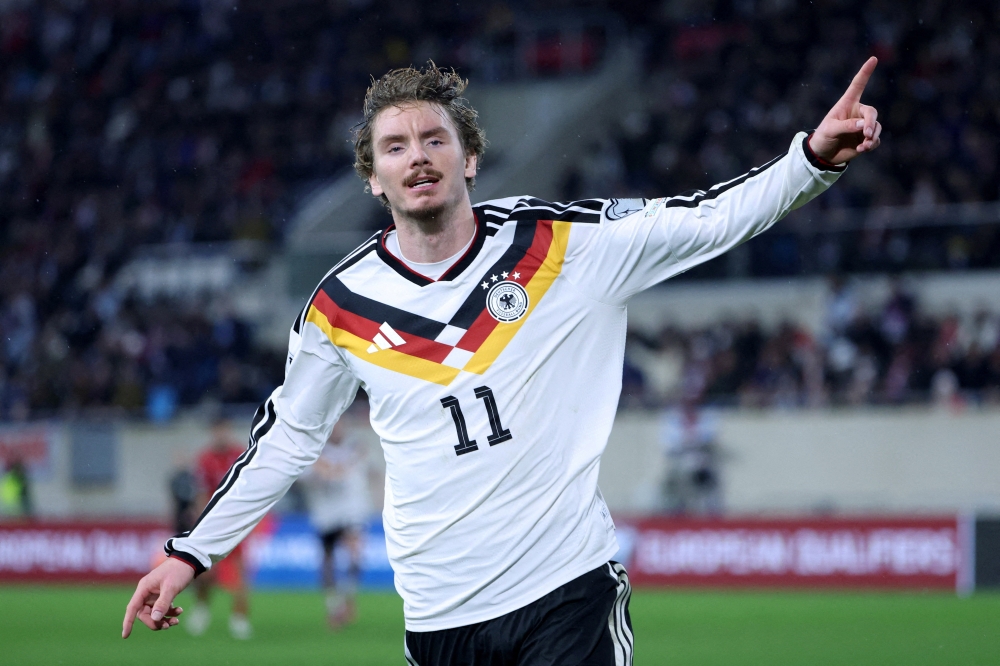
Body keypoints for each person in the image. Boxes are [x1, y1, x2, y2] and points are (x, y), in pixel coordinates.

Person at [124, 58, 883, 663]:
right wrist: (189, 554)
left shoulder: (563, 245)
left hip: (566, 591)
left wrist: (811, 159)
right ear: (372, 178)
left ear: (471, 157)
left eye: (435, 140)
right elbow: (288, 439)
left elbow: (709, 220)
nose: (418, 158)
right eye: (395, 147)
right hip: (438, 615)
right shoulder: (339, 305)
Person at [300, 418, 373, 628]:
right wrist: (325, 471)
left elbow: (366, 470)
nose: (337, 430)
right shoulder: (316, 452)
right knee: (328, 559)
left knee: (355, 552)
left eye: (340, 425)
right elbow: (305, 476)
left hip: (351, 511)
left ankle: (348, 597)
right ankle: (333, 604)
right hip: (326, 514)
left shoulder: (355, 447)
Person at [185, 418, 253, 639]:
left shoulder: (240, 454)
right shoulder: (205, 459)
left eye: (223, 430)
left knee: (239, 573)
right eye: (217, 430)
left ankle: (239, 619)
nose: (220, 434)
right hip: (213, 524)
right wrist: (202, 522)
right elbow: (201, 493)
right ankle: (202, 609)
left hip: (236, 523)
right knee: (205, 574)